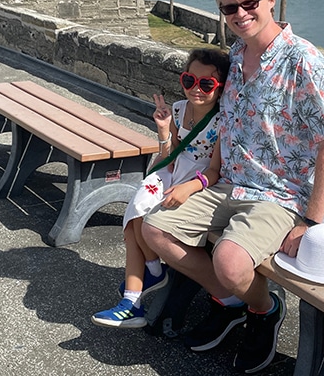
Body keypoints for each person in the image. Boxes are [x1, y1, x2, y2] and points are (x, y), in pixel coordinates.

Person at [142, 0, 324, 374]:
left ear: (270, 0)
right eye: (229, 8)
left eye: (249, 3)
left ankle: (264, 309)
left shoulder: (302, 61)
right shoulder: (235, 57)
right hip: (230, 184)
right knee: (155, 228)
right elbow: (227, 126)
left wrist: (311, 221)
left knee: (230, 262)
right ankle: (234, 301)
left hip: (281, 195)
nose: (240, 15)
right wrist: (205, 177)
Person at [92, 48, 231, 329]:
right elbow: (171, 154)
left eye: (207, 84)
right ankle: (146, 282)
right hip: (173, 171)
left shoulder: (222, 121)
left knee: (141, 223)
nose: (196, 89)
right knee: (134, 218)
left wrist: (188, 188)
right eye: (189, 80)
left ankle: (136, 295)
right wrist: (164, 129)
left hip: (197, 181)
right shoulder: (179, 108)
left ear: (222, 87)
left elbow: (215, 171)